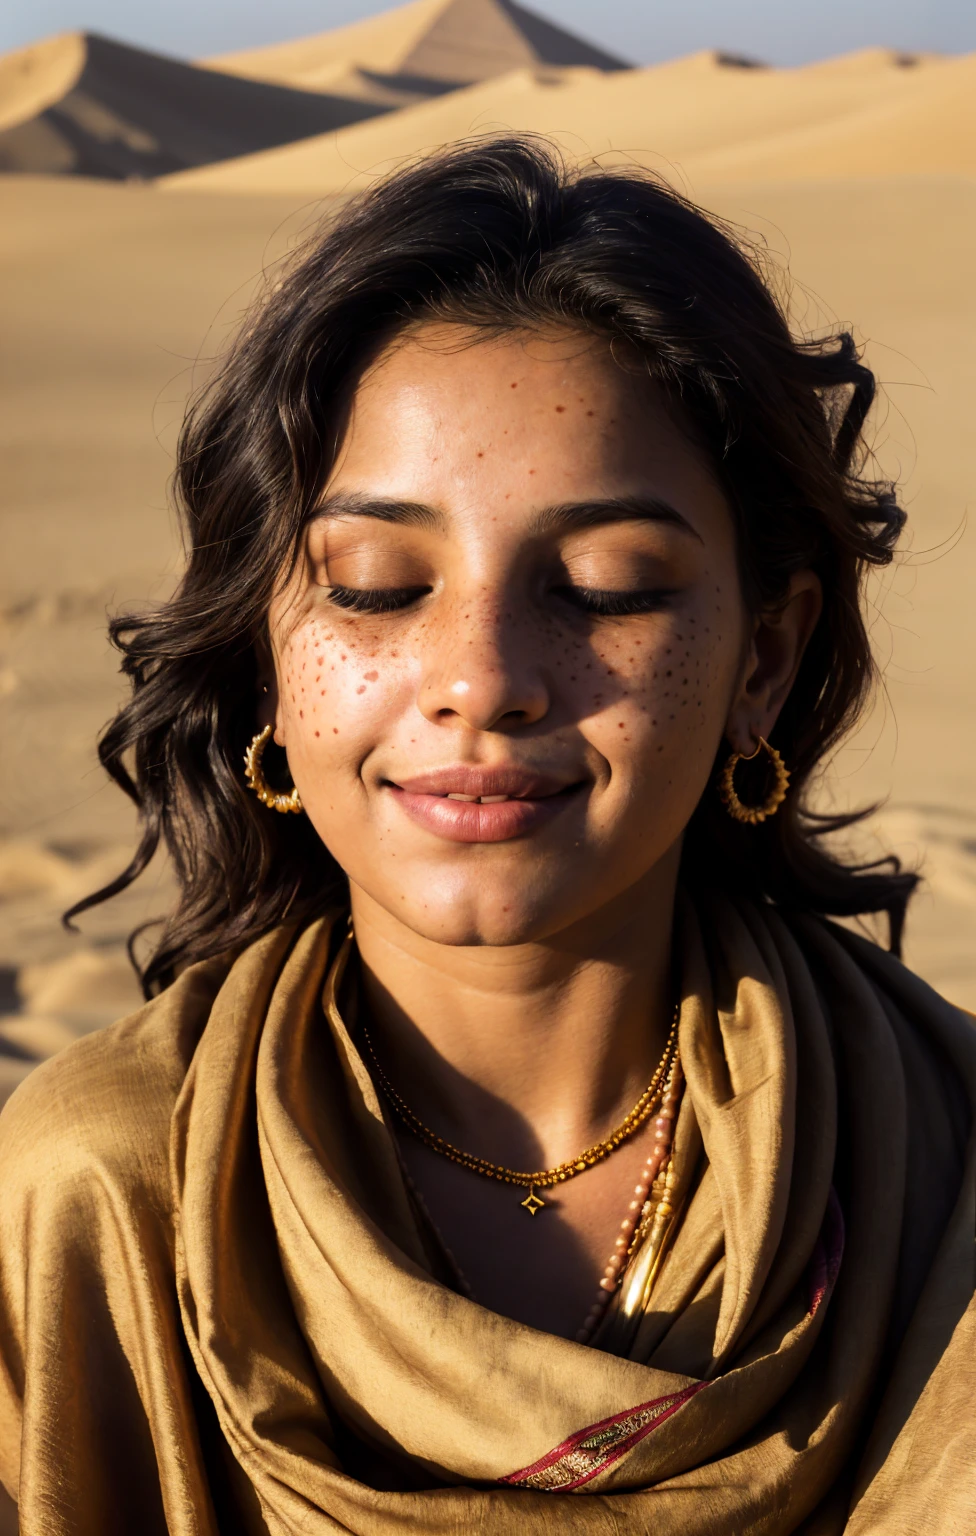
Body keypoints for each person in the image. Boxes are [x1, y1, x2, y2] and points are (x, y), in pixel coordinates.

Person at [0, 138, 971, 1534]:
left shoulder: (940, 1173)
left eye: (605, 585)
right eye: (379, 586)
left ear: (765, 658)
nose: (482, 673)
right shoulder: (104, 1193)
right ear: (269, 653)